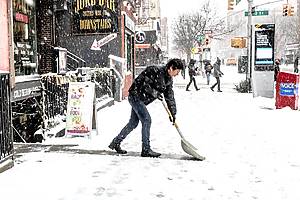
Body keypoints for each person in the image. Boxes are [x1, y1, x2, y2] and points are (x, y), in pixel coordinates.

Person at [108, 58, 184, 158]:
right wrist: (155, 92)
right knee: (146, 120)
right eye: (177, 71)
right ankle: (146, 149)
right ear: (171, 68)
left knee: (133, 123)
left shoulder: (168, 80)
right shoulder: (154, 70)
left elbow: (169, 97)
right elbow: (142, 83)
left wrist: (173, 113)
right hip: (135, 96)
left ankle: (116, 142)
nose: (177, 74)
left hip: (142, 100)